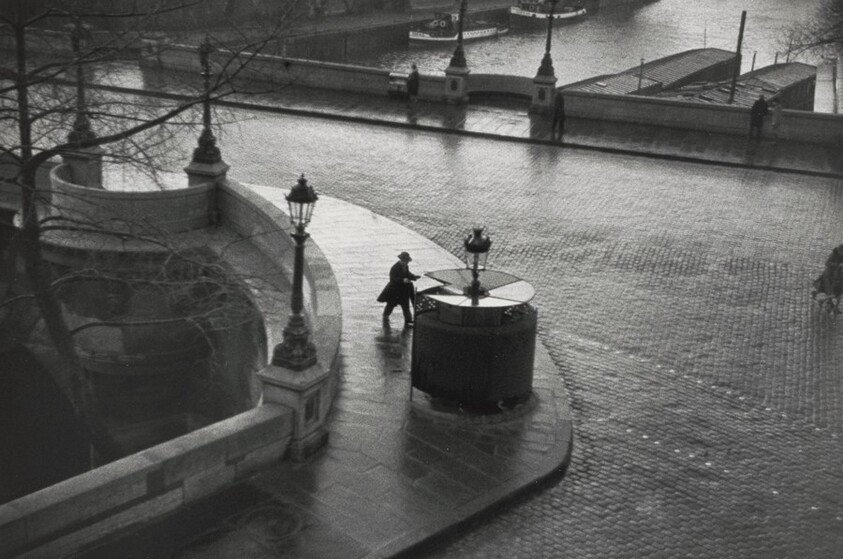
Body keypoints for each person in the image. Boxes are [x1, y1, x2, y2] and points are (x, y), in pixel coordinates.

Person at [377, 251, 420, 326]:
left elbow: (408, 273)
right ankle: (385, 315)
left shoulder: (405, 266)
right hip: (394, 290)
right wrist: (402, 280)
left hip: (403, 291)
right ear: (402, 260)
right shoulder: (395, 267)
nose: (407, 263)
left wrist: (413, 276)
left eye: (407, 261)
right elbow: (392, 278)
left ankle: (408, 320)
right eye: (406, 261)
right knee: (391, 304)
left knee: (405, 306)